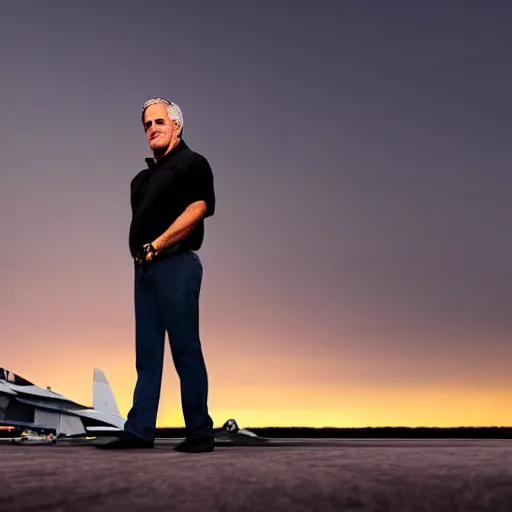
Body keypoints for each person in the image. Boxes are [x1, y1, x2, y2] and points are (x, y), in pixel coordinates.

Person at [98, 98, 216, 453]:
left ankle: (200, 433)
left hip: (177, 265)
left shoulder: (193, 164)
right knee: (147, 355)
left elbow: (199, 208)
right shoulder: (141, 180)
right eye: (147, 124)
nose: (152, 129)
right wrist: (143, 254)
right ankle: (139, 431)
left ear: (176, 126)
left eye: (159, 122)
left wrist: (158, 244)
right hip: (144, 271)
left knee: (185, 349)